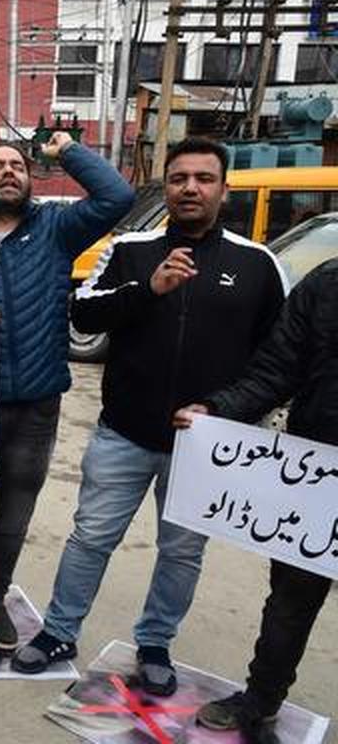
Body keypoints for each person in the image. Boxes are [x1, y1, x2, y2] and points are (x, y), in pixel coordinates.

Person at [12, 137, 289, 695]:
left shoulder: (258, 264)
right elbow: (83, 315)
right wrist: (148, 289)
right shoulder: (129, 249)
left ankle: (156, 644)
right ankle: (59, 631)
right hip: (123, 432)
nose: (190, 188)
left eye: (204, 179)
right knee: (90, 537)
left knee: (182, 552)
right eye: (179, 178)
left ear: (224, 190)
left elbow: (275, 360)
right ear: (166, 186)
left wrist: (222, 411)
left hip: (204, 444)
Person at [0, 132, 136, 659]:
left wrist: (68, 151)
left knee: (13, 517)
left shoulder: (57, 228)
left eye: (17, 165)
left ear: (30, 177)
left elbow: (117, 197)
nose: (9, 172)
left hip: (37, 404)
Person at [174, 256, 338, 744]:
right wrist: (216, 410)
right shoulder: (326, 283)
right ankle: (262, 700)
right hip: (317, 480)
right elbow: (274, 371)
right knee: (290, 600)